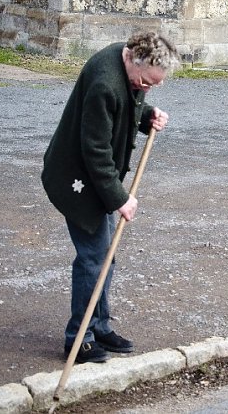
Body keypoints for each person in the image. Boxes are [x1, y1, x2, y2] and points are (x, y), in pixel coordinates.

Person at [42, 31, 179, 363]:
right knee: (93, 258)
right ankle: (79, 339)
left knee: (105, 255)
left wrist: (146, 115)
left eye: (155, 85)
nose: (148, 88)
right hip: (77, 181)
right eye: (147, 82)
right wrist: (120, 198)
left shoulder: (126, 62)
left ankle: (100, 326)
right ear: (132, 58)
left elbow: (128, 103)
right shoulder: (105, 83)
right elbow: (96, 151)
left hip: (95, 180)